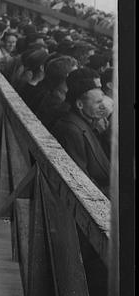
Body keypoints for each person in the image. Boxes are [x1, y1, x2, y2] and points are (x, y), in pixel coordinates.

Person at [50, 68, 111, 198]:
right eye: (98, 103)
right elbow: (81, 181)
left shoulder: (88, 121)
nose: (103, 107)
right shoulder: (71, 130)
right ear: (79, 104)